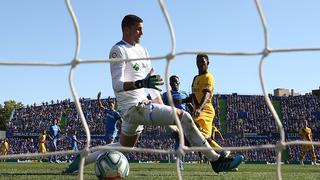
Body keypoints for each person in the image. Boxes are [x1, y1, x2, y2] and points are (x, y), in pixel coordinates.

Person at [108, 14, 243, 173]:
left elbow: (153, 87)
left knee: (124, 147)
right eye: (138, 30)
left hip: (144, 105)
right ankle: (215, 160)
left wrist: (164, 111)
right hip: (133, 108)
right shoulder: (118, 50)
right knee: (185, 116)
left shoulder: (143, 51)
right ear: (126, 29)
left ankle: (84, 157)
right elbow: (117, 85)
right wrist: (142, 83)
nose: (142, 34)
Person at [63, 93, 122, 173]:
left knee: (108, 147)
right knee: (107, 148)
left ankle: (110, 163)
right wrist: (98, 99)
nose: (110, 105)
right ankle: (108, 163)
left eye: (111, 104)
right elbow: (101, 106)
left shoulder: (116, 113)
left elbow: (121, 120)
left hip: (112, 133)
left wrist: (123, 128)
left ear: (114, 105)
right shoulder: (107, 111)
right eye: (109, 104)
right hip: (106, 132)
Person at [162, 75, 190, 170]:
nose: (175, 83)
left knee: (183, 141)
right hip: (173, 120)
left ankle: (181, 159)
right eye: (172, 82)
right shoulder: (166, 95)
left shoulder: (184, 93)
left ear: (179, 82)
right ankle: (179, 161)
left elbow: (189, 104)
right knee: (178, 138)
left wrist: (193, 108)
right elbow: (161, 106)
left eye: (176, 82)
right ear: (169, 84)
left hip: (184, 119)